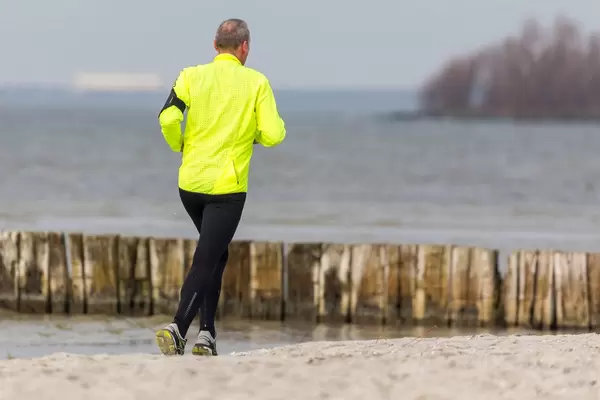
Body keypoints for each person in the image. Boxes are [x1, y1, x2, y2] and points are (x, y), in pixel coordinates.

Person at [155, 18, 286, 356]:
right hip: (226, 190)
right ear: (245, 48)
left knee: (216, 253)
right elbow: (273, 134)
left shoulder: (190, 76)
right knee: (207, 257)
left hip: (189, 184)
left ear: (215, 46)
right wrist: (252, 134)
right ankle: (178, 328)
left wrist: (179, 144)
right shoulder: (256, 82)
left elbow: (168, 117)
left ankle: (208, 334)